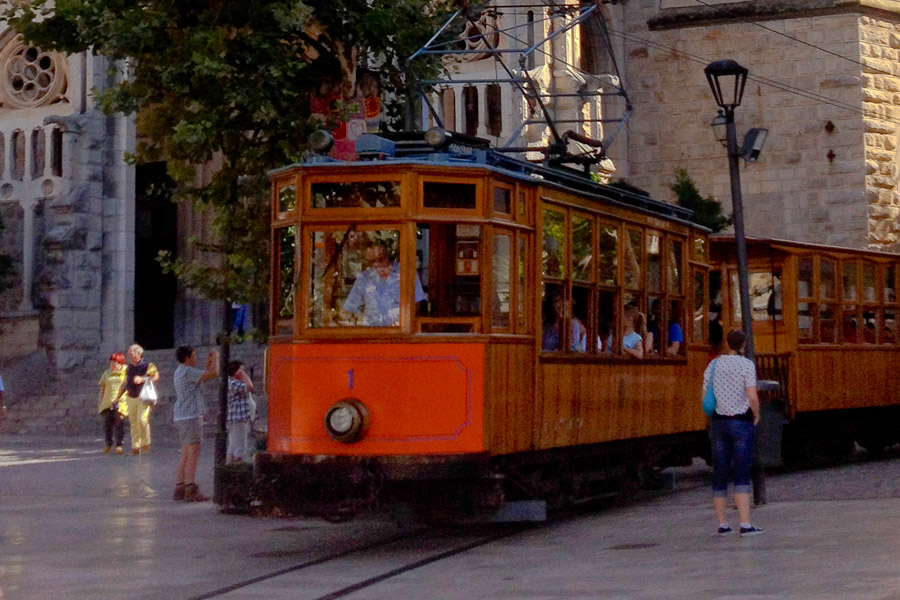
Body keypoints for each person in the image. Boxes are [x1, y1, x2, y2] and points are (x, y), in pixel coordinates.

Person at [701, 329, 764, 537]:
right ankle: (745, 524)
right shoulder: (746, 365)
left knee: (720, 472)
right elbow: (752, 397)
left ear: (727, 344)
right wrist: (756, 415)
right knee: (741, 471)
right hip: (741, 422)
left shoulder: (714, 365)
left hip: (719, 423)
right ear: (743, 345)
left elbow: (704, 396)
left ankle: (722, 524)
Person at [172, 345, 219, 502]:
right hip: (190, 416)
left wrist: (209, 363)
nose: (196, 358)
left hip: (182, 416)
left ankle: (180, 486)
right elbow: (214, 374)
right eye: (194, 355)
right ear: (187, 358)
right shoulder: (187, 371)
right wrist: (217, 359)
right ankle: (190, 488)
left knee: (186, 452)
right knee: (193, 452)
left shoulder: (180, 371)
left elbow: (203, 376)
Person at [343, 243, 426, 326]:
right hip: (372, 332)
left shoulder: (407, 273)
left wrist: (403, 322)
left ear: (387, 255)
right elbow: (351, 307)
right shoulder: (364, 278)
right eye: (372, 261)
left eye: (380, 259)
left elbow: (416, 304)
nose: (376, 264)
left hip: (399, 332)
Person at [114, 344, 159, 455]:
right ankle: (135, 447)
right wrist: (117, 397)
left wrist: (143, 378)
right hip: (131, 396)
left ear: (139, 353)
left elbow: (156, 376)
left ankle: (145, 444)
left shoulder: (148, 365)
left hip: (143, 397)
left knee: (142, 420)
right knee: (133, 422)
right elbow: (125, 383)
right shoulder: (129, 367)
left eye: (131, 352)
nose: (129, 354)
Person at [97, 353, 128, 455]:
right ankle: (108, 445)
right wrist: (100, 401)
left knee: (119, 423)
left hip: (121, 401)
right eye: (111, 361)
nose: (112, 364)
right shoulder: (107, 373)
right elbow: (102, 388)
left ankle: (119, 445)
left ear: (120, 363)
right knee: (107, 424)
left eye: (114, 362)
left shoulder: (126, 370)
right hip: (107, 401)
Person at [226, 360, 255, 464]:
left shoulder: (234, 383)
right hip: (238, 417)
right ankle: (238, 465)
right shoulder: (233, 383)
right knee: (240, 446)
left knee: (233, 444)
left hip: (238, 417)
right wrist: (244, 375)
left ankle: (230, 465)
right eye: (241, 369)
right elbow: (250, 387)